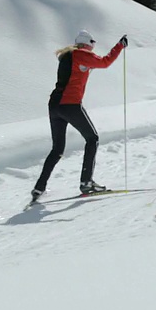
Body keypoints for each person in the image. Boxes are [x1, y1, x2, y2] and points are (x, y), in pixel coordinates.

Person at [31, 30, 128, 202]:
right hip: (70, 104)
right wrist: (119, 46)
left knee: (57, 149)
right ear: (88, 43)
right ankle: (86, 182)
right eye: (93, 44)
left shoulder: (68, 56)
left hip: (55, 105)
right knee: (92, 138)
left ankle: (39, 187)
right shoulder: (81, 54)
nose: (93, 48)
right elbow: (105, 62)